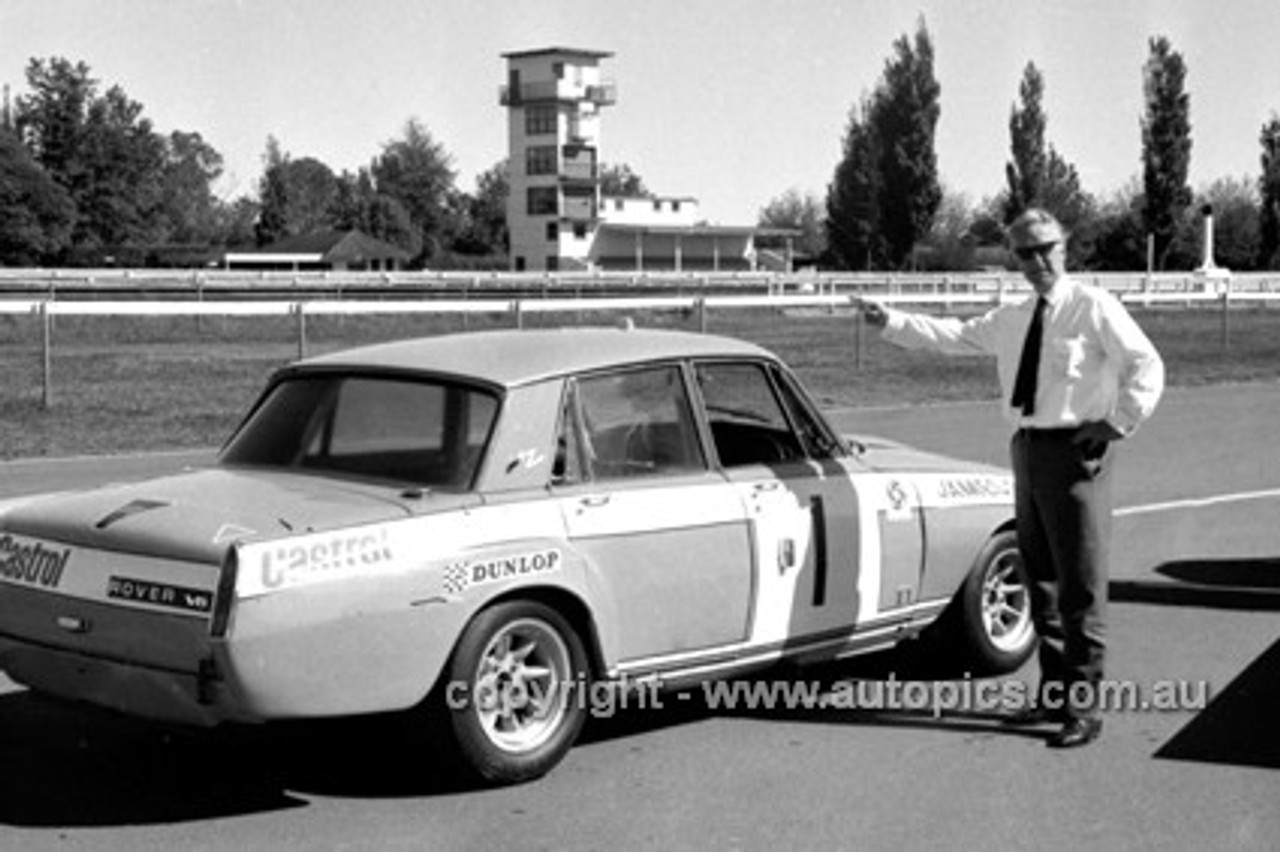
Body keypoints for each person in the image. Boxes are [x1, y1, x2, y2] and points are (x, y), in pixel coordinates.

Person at [860, 208, 1164, 748]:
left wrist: (1116, 423)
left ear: (1065, 248)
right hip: (1027, 450)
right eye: (1026, 252)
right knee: (1040, 579)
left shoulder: (1093, 307)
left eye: (1047, 247)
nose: (1038, 260)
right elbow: (952, 335)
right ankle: (1053, 697)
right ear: (1014, 258)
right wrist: (889, 320)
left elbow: (1146, 365)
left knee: (1080, 584)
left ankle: (1083, 706)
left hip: (1076, 452)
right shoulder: (1014, 315)